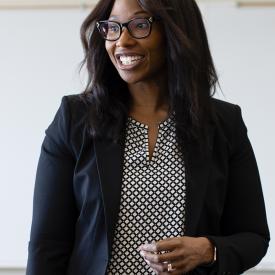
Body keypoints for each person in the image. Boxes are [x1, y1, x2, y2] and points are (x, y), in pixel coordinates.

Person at [26, 0, 270, 274]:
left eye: (140, 25)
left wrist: (207, 249)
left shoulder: (223, 124)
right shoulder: (75, 119)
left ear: (177, 32)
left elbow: (253, 236)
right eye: (112, 27)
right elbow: (46, 245)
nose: (122, 41)